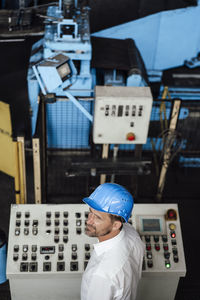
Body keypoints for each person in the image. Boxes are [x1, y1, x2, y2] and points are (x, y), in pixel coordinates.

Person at [81, 183, 145, 300]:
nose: (89, 221)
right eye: (90, 212)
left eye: (97, 217)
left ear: (116, 225)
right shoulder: (131, 233)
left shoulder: (101, 275)